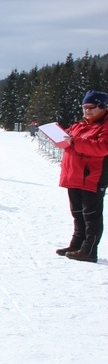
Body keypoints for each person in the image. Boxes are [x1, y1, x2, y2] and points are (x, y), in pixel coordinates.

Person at [56, 90, 108, 262]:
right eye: (84, 107)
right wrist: (58, 134)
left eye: (91, 107)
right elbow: (68, 140)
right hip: (74, 175)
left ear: (102, 106)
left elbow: (102, 147)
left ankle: (89, 250)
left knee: (90, 215)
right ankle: (77, 244)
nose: (87, 111)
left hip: (92, 176)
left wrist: (75, 142)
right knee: (77, 213)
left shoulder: (105, 125)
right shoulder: (79, 124)